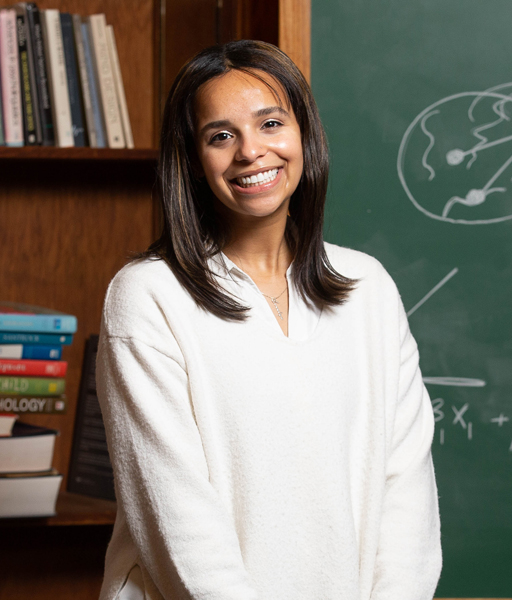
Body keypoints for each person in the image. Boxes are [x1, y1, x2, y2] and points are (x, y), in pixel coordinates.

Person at [95, 40, 442, 600]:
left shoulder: (368, 288)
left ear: (303, 135)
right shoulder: (148, 296)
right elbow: (174, 517)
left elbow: (407, 493)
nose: (251, 151)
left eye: (270, 123)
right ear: (193, 158)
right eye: (221, 136)